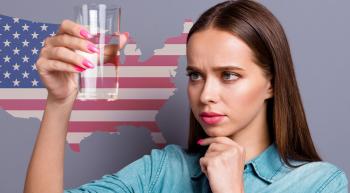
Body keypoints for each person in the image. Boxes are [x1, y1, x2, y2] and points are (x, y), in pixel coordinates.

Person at [24, 1, 348, 192]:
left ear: (272, 83)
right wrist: (59, 101)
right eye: (195, 75)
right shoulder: (164, 170)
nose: (206, 95)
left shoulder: (320, 183)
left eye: (229, 75)